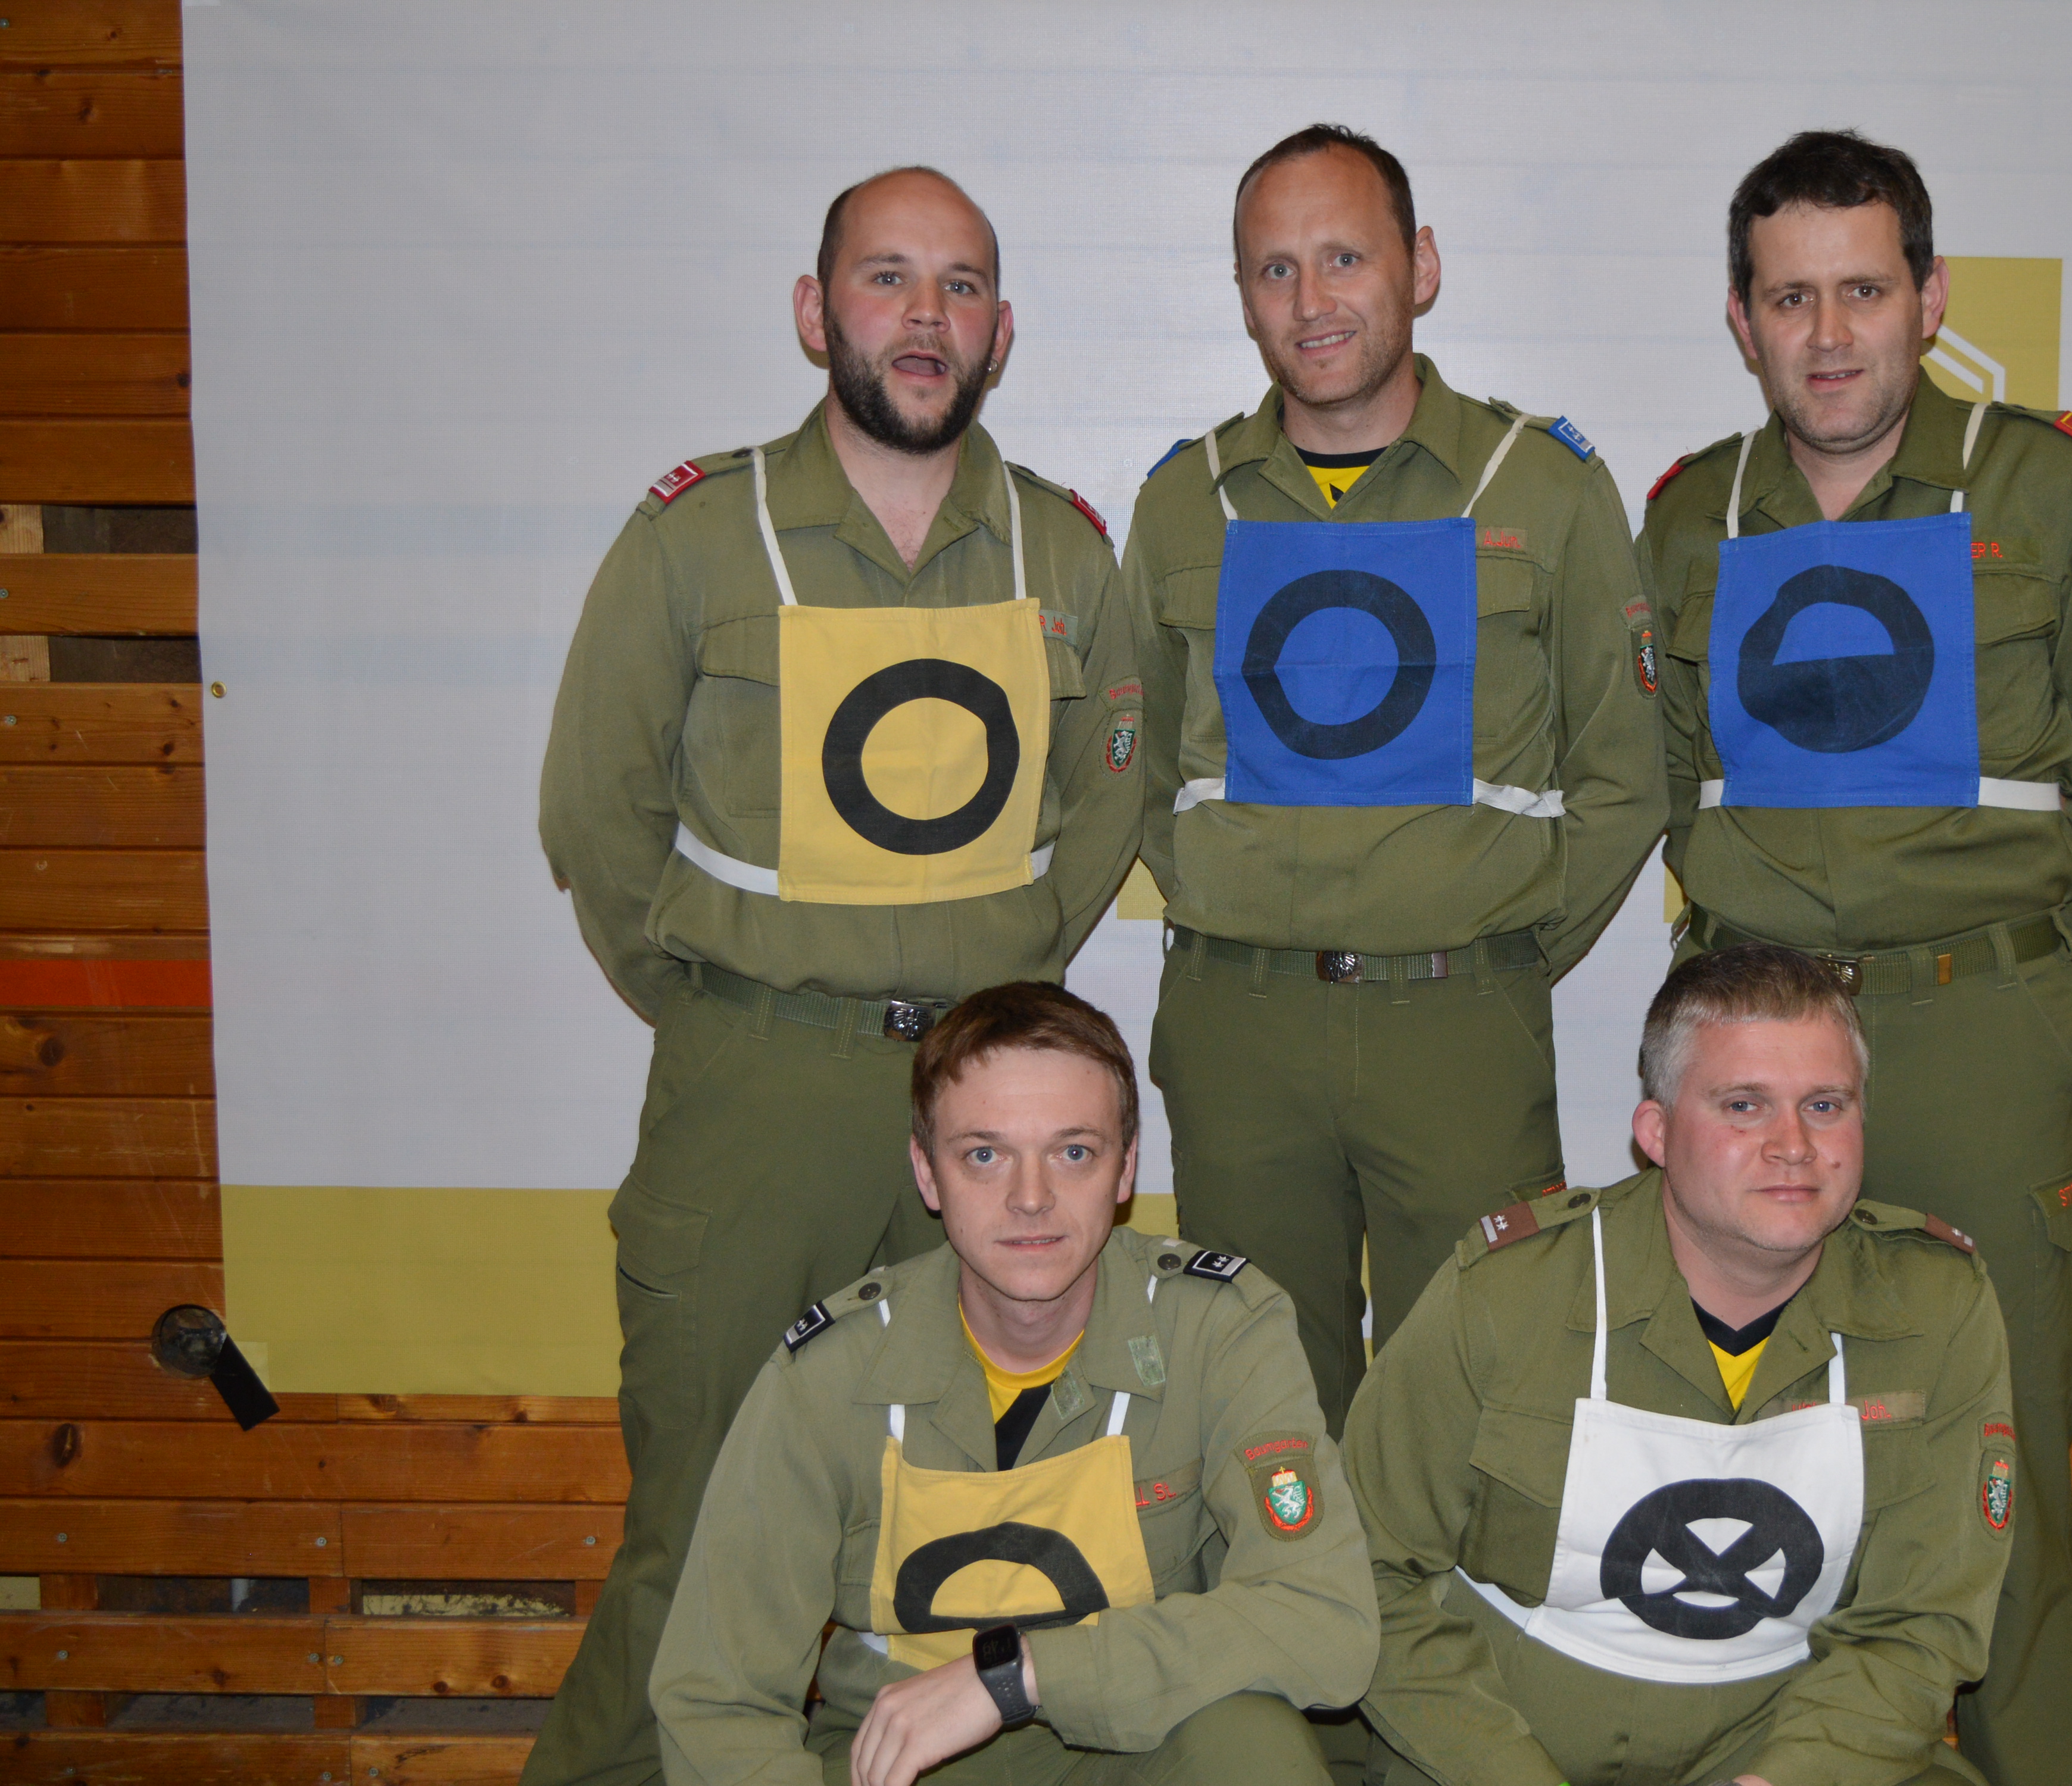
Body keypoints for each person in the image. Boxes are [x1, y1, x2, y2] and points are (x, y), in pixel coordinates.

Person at [534, 167, 1143, 1786]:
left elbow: (1105, 806)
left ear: (1001, 332)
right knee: (698, 1535)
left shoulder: (1065, 554)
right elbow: (595, 811)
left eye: (961, 287)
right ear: (818, 314)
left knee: (966, 1529)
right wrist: (729, 1009)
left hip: (987, 1114)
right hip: (758, 1096)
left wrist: (997, 1001)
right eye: (888, 278)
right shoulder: (697, 535)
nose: (925, 317)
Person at [1637, 130, 2072, 1785]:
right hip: (1756, 1059)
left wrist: (2029, 967)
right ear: (1741, 319)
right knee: (1761, 1460)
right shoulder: (1690, 515)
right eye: (1789, 299)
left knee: (2000, 1472)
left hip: (1972, 1041)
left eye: (1864, 292)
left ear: (1930, 300)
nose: (1828, 336)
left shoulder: (2056, 488)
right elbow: (1663, 779)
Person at [1125, 123, 1667, 1437]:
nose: (1311, 301)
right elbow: (1132, 768)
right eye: (1274, 270)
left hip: (1461, 1023)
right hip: (1241, 1027)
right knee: (1259, 1411)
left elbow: (1625, 775)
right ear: (1243, 295)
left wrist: (1498, 947)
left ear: (1420, 267)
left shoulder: (1545, 487)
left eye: (1345, 258)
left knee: (1478, 1404)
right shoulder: (1187, 502)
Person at [651, 982, 1379, 1786]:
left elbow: (1324, 1621)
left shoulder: (1217, 1331)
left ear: (1126, 1169)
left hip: (1142, 1744)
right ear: (928, 1174)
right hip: (903, 1759)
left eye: (1074, 1153)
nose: (1031, 1199)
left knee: (1251, 1746)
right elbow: (717, 1701)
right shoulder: (827, 1375)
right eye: (984, 1155)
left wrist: (1016, 1676)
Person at [1345, 945, 2015, 1786]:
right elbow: (1370, 1574)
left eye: (1825, 1105)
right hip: (1502, 1742)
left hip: (1782, 1743)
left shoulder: (1938, 1308)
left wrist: (1788, 1780)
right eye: (1744, 1106)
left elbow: (1919, 1623)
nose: (1794, 1146)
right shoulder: (1506, 1295)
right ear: (1656, 1133)